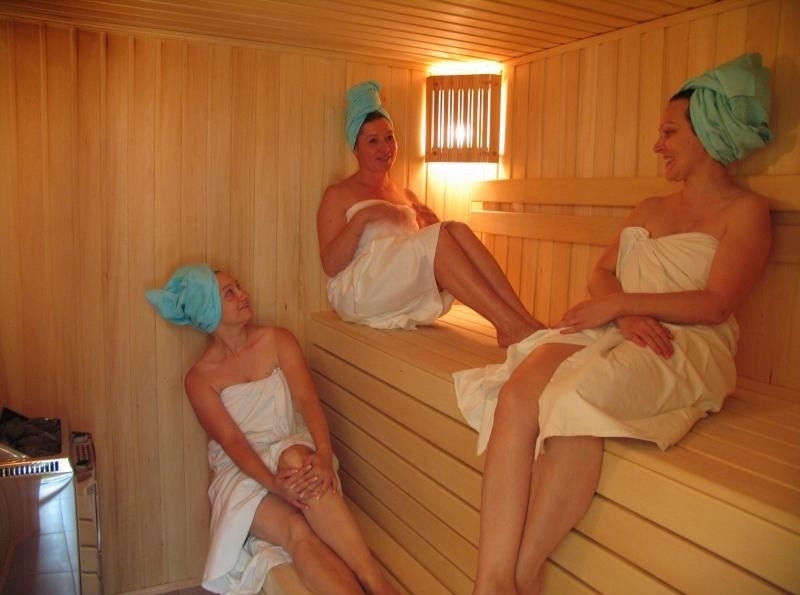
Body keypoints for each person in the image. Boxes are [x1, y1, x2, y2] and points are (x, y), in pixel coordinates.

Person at [453, 52, 774, 595]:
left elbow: (717, 303)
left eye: (668, 132)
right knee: (518, 392)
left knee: (571, 398)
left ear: (707, 132)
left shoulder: (745, 213)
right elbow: (600, 275)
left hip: (683, 343)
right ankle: (491, 579)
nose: (657, 145)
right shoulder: (649, 207)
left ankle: (519, 577)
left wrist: (623, 308)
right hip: (621, 325)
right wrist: (621, 312)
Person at [146, 264, 398, 595]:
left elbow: (307, 400)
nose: (243, 295)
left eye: (238, 287)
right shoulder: (199, 378)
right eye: (230, 293)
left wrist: (324, 455)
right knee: (296, 530)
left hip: (294, 449)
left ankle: (376, 583)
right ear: (209, 310)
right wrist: (273, 485)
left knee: (296, 460)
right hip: (241, 473)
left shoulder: (278, 340)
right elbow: (231, 441)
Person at [317, 80, 544, 347]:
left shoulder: (406, 196)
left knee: (456, 229)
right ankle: (510, 325)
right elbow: (331, 265)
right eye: (373, 141)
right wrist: (363, 217)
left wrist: (434, 228)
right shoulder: (339, 193)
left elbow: (418, 252)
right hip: (358, 292)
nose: (385, 148)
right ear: (355, 148)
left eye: (390, 137)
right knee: (440, 237)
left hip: (400, 289)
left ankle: (524, 320)